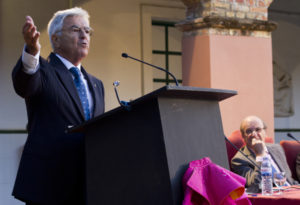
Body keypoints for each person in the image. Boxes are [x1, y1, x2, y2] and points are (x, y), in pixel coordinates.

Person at [11, 7, 105, 205]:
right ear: (55, 39)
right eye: (75, 30)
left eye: (87, 31)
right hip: (49, 187)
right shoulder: (42, 70)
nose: (83, 36)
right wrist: (31, 52)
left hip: (89, 187)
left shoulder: (97, 84)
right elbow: (25, 84)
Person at [231, 116, 298, 190]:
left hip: (292, 191)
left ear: (265, 132)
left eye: (258, 129)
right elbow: (254, 187)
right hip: (272, 197)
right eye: (249, 131)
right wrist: (260, 155)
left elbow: (289, 180)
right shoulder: (238, 160)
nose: (254, 134)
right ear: (243, 136)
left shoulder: (277, 148)